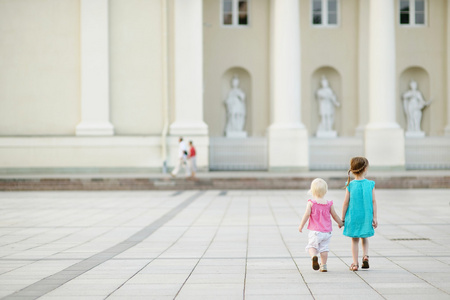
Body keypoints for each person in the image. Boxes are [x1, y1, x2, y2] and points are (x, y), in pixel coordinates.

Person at [299, 178, 344, 272]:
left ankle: (314, 257)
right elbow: (334, 215)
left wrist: (301, 225)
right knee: (324, 248)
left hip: (315, 231)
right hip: (327, 232)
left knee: (312, 246)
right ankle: (323, 266)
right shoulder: (329, 203)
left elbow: (306, 214)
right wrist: (340, 223)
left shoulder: (311, 203)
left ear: (312, 190)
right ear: (325, 191)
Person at [341, 157, 378, 271]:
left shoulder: (350, 185)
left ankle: (355, 263)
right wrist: (375, 217)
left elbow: (346, 202)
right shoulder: (370, 184)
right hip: (366, 216)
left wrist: (342, 218)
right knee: (364, 237)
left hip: (354, 216)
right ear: (365, 169)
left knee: (355, 239)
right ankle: (365, 256)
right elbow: (373, 201)